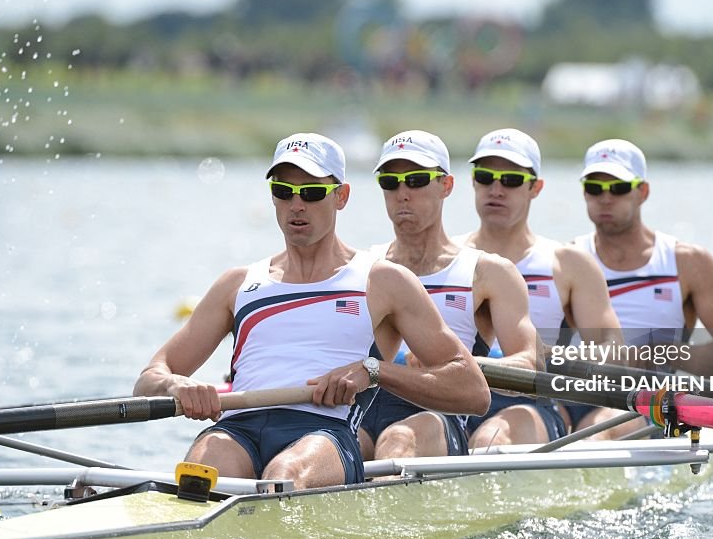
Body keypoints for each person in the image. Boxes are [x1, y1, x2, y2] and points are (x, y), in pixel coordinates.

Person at [134, 133, 490, 490]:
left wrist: (374, 371)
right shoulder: (238, 283)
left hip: (324, 433)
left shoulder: (382, 280)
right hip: (237, 428)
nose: (296, 205)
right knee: (203, 469)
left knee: (285, 475)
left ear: (341, 196)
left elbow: (472, 391)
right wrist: (176, 384)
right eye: (283, 191)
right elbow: (148, 380)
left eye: (312, 192)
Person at [358, 129, 543, 460]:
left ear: (446, 185)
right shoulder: (363, 267)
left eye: (416, 181)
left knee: (398, 441)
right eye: (390, 182)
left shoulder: (488, 273)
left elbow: (530, 365)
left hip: (439, 415)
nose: (402, 194)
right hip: (364, 410)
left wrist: (457, 366)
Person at [567, 138, 713, 433]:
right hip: (573, 392)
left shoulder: (687, 263)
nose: (605, 198)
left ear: (642, 192)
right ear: (584, 193)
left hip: (648, 402)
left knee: (601, 426)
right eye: (594, 188)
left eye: (618, 188)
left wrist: (664, 352)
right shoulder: (566, 260)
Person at [456, 128, 630, 444]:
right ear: (473, 182)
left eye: (511, 180)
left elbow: (613, 350)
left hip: (532, 402)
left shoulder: (567, 264)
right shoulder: (447, 259)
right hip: (452, 400)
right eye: (485, 177)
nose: (496, 189)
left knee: (491, 439)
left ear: (535, 188)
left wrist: (548, 357)